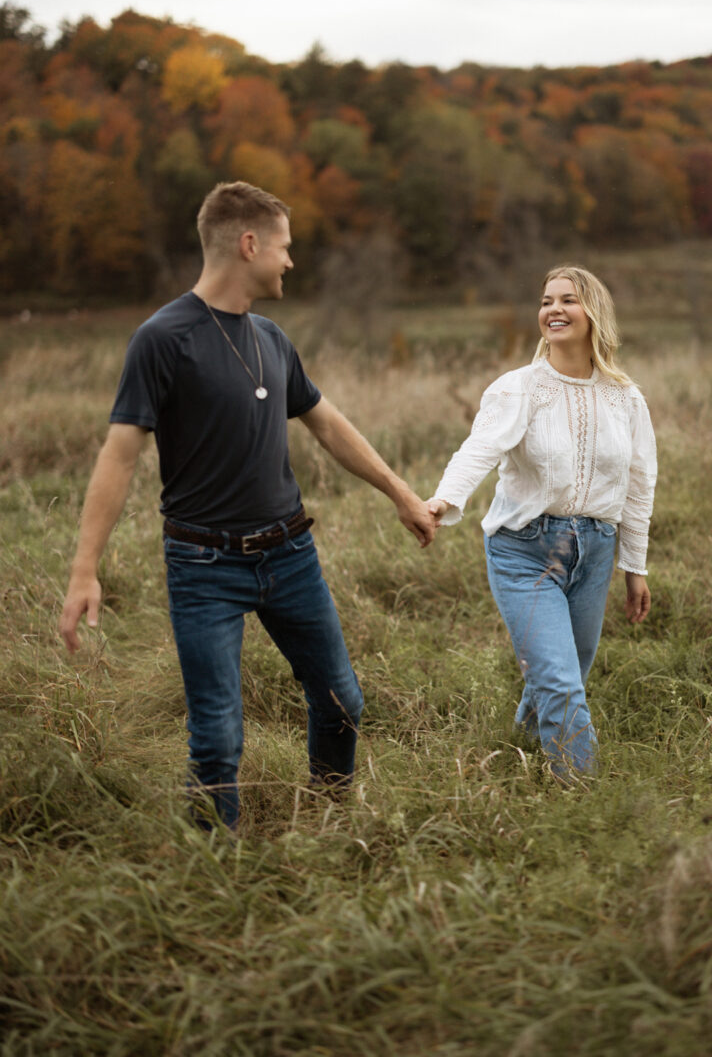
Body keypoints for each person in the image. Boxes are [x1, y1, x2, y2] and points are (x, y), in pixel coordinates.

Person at [59, 181, 436, 831]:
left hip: (290, 555)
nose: (290, 261)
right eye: (284, 247)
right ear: (249, 243)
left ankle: (329, 819)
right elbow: (119, 455)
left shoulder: (270, 336)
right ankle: (216, 875)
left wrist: (400, 492)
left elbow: (326, 422)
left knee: (342, 701)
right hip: (203, 565)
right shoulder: (162, 338)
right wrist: (84, 568)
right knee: (217, 736)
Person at [427, 266, 656, 780]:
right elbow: (480, 449)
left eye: (568, 300)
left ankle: (519, 758)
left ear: (594, 312)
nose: (553, 309)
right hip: (524, 551)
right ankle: (583, 798)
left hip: (596, 551)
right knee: (560, 683)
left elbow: (639, 487)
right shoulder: (519, 389)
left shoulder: (626, 398)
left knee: (561, 675)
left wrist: (634, 567)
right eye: (546, 300)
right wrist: (446, 498)